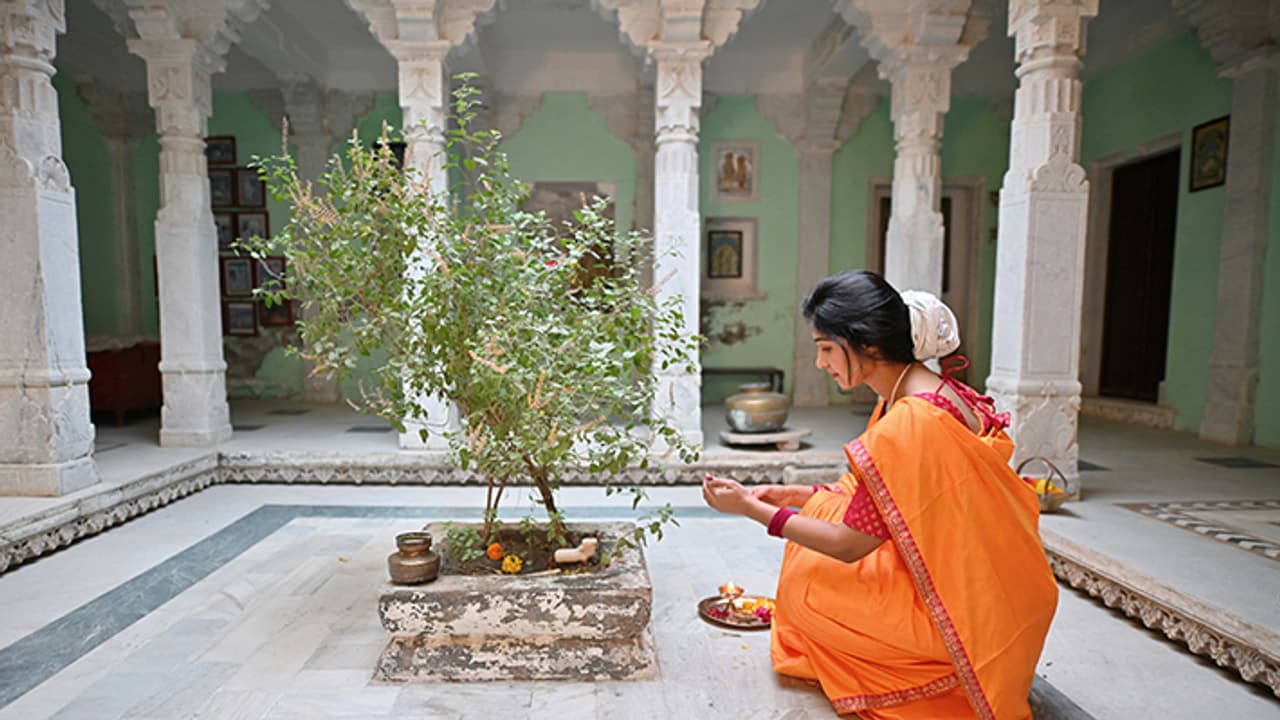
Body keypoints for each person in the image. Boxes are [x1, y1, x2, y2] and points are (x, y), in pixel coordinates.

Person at [702, 270, 1057, 719]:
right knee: (818, 522)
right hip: (997, 593)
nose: (820, 363)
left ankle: (929, 674)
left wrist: (752, 510)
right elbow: (880, 499)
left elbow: (851, 545)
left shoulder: (910, 423)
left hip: (962, 617)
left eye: (827, 348)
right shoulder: (928, 390)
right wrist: (794, 494)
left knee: (806, 590)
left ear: (866, 344)